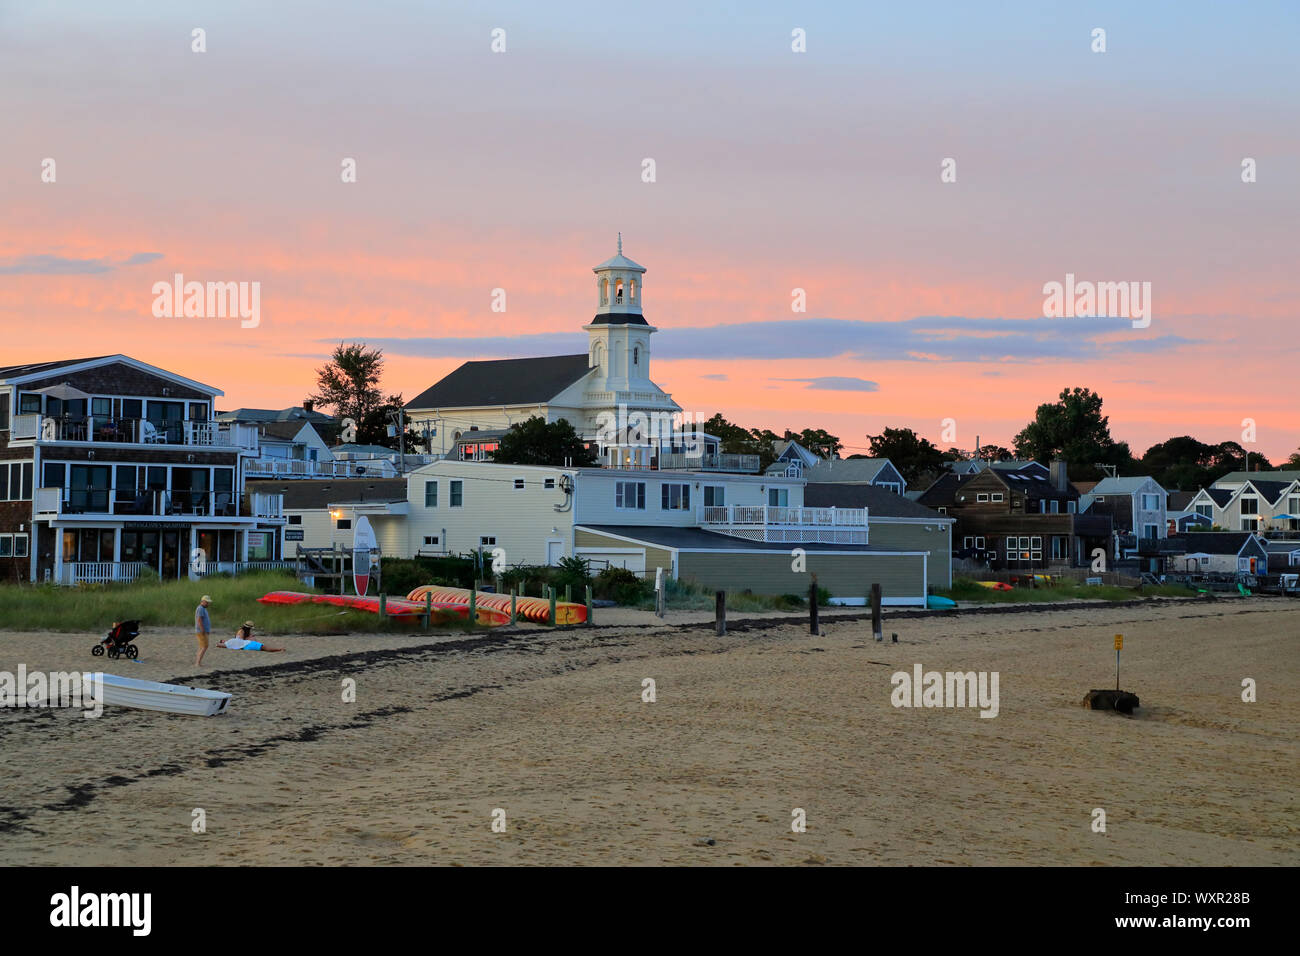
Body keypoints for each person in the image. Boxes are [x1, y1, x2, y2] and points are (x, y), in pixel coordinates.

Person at [219, 621, 283, 653]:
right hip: (247, 644)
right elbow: (239, 641)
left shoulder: (230, 642)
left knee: (264, 648)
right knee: (264, 648)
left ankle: (278, 649)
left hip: (246, 645)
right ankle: (279, 649)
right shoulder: (241, 632)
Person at [194, 595, 212, 667]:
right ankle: (198, 663)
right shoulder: (200, 608)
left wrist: (207, 630)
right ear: (203, 601)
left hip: (203, 631)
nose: (208, 604)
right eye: (207, 602)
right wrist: (203, 630)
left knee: (202, 646)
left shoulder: (203, 609)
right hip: (201, 631)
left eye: (208, 602)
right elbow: (199, 620)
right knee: (205, 646)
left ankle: (198, 662)